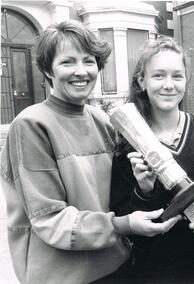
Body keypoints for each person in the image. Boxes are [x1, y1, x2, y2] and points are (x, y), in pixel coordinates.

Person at [0, 20, 179, 284]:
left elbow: (120, 196)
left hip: (116, 268)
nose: (81, 71)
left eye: (89, 61)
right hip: (63, 276)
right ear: (47, 69)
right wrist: (123, 225)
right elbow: (50, 219)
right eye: (67, 62)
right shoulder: (31, 125)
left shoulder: (102, 120)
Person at [108, 36, 194, 283]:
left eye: (177, 76)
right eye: (158, 76)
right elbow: (123, 218)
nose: (168, 85)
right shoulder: (128, 146)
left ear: (186, 80)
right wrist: (144, 190)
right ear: (142, 81)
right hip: (159, 273)